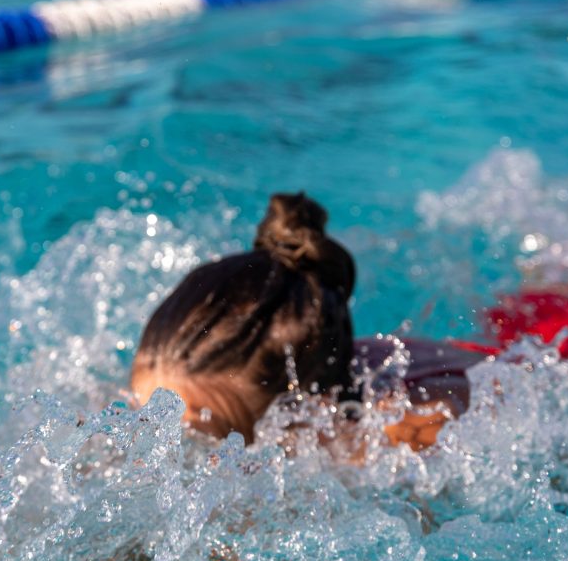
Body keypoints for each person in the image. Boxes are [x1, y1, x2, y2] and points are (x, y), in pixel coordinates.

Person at [130, 192, 485, 451]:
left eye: (190, 440)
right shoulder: (191, 381)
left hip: (508, 356)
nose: (153, 447)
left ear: (299, 420)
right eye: (145, 416)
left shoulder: (415, 432)